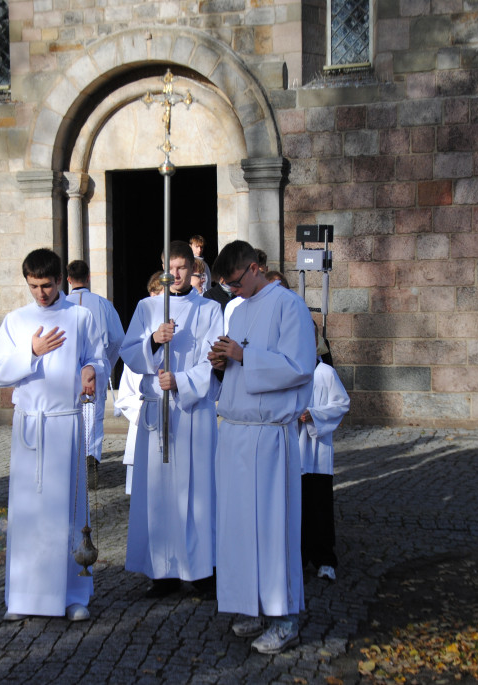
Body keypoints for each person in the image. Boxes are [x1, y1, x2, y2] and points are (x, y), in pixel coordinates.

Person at [0, 248, 106, 622]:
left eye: (47, 285)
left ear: (60, 280)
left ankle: (72, 594)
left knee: (66, 511)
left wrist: (90, 371)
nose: (40, 293)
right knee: (28, 514)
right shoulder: (17, 320)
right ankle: (23, 597)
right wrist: (31, 352)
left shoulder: (80, 316)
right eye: (33, 286)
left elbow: (97, 356)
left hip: (66, 424)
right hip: (30, 429)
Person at [208, 240, 316, 654]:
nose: (231, 291)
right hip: (235, 431)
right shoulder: (238, 310)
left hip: (270, 435)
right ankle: (249, 603)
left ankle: (285, 615)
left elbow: (299, 366)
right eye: (226, 285)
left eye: (235, 282)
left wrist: (243, 355)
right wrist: (222, 363)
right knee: (238, 527)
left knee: (272, 529)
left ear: (255, 268)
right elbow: (237, 365)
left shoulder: (289, 307)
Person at [120, 241, 222, 599]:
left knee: (196, 492)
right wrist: (153, 339)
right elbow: (128, 353)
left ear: (193, 269)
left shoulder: (209, 310)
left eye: (182, 268)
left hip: (192, 412)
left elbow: (214, 358)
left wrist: (182, 381)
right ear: (161, 266)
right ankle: (161, 571)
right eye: (170, 268)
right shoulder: (147, 307)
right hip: (157, 413)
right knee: (159, 493)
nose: (175, 276)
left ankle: (201, 569)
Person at [297, 326, 350, 581]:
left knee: (319, 505)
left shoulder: (325, 373)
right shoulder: (289, 374)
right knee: (296, 507)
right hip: (293, 450)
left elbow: (341, 403)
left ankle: (325, 558)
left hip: (317, 452)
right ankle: (297, 555)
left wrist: (313, 415)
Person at [66, 260, 125, 463]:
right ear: (88, 277)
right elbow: (118, 338)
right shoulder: (102, 304)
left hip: (68, 371)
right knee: (93, 414)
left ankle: (72, 459)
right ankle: (91, 458)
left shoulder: (62, 305)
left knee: (68, 414)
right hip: (95, 369)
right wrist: (105, 363)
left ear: (68, 280)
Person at [113, 272, 163, 495]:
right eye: (157, 295)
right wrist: (147, 410)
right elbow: (124, 397)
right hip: (147, 424)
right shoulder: (137, 352)